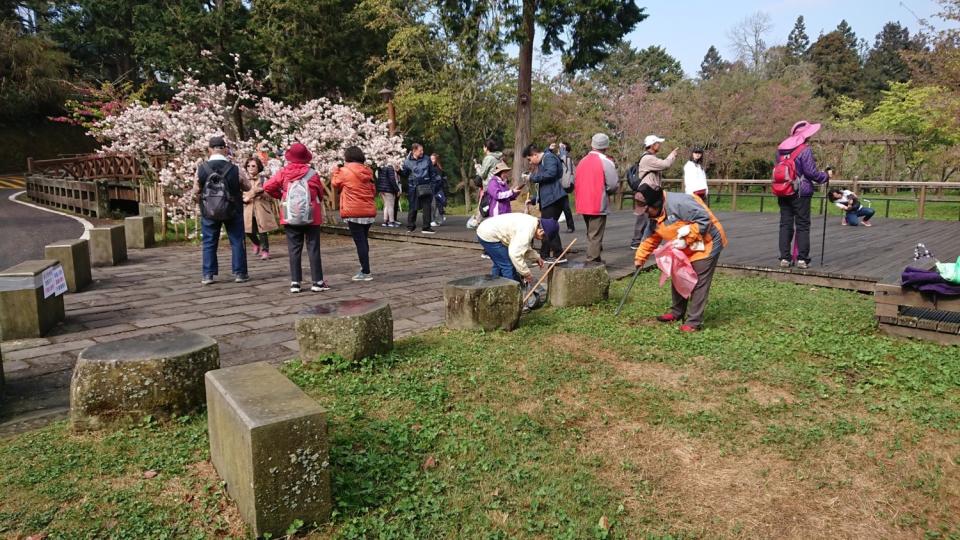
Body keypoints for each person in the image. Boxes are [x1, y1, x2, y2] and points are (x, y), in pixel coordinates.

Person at [633, 184, 727, 332]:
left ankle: (693, 322)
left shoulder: (680, 204)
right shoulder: (654, 215)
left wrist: (686, 239)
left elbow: (705, 220)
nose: (645, 214)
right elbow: (650, 237)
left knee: (698, 281)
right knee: (679, 274)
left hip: (707, 242)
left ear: (656, 204)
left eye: (646, 210)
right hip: (685, 246)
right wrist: (640, 258)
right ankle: (677, 312)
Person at [263, 142, 330, 294]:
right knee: (313, 248)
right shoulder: (312, 173)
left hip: (290, 215)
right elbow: (320, 193)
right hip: (312, 216)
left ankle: (295, 283)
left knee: (294, 249)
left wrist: (281, 195)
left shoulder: (283, 172)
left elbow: (267, 186)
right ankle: (317, 282)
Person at [776, 120, 833, 269]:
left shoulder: (781, 149)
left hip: (783, 190)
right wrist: (825, 176)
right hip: (801, 192)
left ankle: (785, 258)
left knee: (785, 224)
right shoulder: (804, 149)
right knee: (802, 224)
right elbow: (810, 172)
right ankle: (802, 259)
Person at [195, 136, 251, 285]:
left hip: (209, 211)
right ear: (225, 149)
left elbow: (196, 189)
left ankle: (208, 275)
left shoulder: (202, 168)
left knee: (209, 242)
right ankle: (240, 273)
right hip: (233, 209)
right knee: (237, 241)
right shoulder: (234, 168)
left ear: (209, 149)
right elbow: (247, 187)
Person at [332, 146, 377, 281]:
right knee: (363, 240)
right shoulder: (368, 171)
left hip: (353, 211)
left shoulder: (345, 171)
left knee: (360, 242)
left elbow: (335, 184)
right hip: (368, 211)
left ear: (347, 157)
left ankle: (366, 272)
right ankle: (365, 268)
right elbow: (373, 190)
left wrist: (335, 172)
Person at [573, 133, 620, 263]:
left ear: (592, 144)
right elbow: (613, 184)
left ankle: (596, 258)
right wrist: (608, 193)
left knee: (591, 232)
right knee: (595, 235)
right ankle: (592, 262)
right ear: (606, 146)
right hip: (597, 202)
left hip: (582, 202)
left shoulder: (582, 161)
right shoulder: (606, 161)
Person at [476, 213, 557, 284]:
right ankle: (512, 295)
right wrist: (526, 274)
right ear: (541, 231)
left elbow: (523, 247)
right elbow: (515, 254)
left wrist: (536, 257)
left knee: (499, 264)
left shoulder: (532, 223)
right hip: (488, 234)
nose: (540, 239)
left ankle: (494, 287)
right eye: (543, 237)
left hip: (486, 229)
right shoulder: (528, 230)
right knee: (508, 266)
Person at [631, 135, 679, 249]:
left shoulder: (649, 157)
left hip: (648, 192)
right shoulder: (648, 158)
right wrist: (672, 155)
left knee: (651, 217)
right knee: (643, 217)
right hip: (646, 192)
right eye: (658, 143)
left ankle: (644, 241)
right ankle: (637, 242)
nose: (659, 145)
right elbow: (665, 164)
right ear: (652, 145)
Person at [523, 143, 567, 263]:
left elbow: (551, 174)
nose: (530, 162)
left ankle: (558, 254)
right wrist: (533, 200)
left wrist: (532, 178)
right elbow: (545, 186)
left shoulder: (548, 158)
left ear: (535, 155)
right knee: (547, 226)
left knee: (548, 226)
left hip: (554, 199)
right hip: (549, 199)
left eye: (530, 159)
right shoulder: (545, 160)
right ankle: (545, 254)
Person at [241, 157, 279, 261]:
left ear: (259, 167)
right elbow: (240, 192)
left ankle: (265, 250)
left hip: (261, 207)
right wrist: (244, 198)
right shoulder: (243, 179)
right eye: (248, 166)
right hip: (248, 208)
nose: (250, 168)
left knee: (263, 230)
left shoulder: (264, 179)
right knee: (248, 230)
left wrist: (261, 192)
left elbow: (270, 195)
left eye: (253, 166)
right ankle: (256, 243)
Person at [401, 143, 439, 234]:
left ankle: (426, 227)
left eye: (422, 150)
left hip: (426, 185)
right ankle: (410, 226)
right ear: (414, 151)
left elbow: (432, 173)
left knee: (427, 207)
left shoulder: (427, 159)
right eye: (420, 150)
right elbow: (404, 174)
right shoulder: (407, 161)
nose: (422, 152)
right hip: (413, 187)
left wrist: (432, 186)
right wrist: (398, 170)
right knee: (413, 207)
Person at [558, 141, 576, 232]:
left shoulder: (566, 158)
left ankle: (570, 226)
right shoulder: (566, 158)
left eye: (562, 147)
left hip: (563, 184)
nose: (560, 148)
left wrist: (562, 150)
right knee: (564, 206)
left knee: (565, 206)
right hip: (563, 184)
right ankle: (570, 226)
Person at [430, 153, 448, 226]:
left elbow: (440, 180)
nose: (431, 161)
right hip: (433, 190)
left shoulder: (438, 169)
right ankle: (435, 220)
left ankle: (436, 220)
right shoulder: (430, 168)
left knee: (436, 205)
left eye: (433, 159)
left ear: (436, 160)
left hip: (436, 190)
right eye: (430, 159)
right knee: (434, 206)